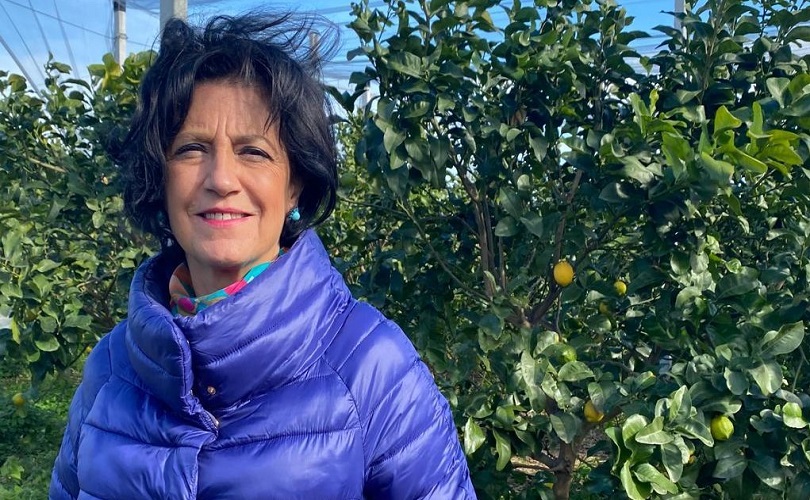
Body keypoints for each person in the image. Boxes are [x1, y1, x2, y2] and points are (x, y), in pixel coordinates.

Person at [49, 12, 475, 499]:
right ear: (159, 179)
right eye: (192, 148)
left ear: (294, 185)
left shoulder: (372, 370)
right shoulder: (111, 369)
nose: (221, 179)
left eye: (253, 151)